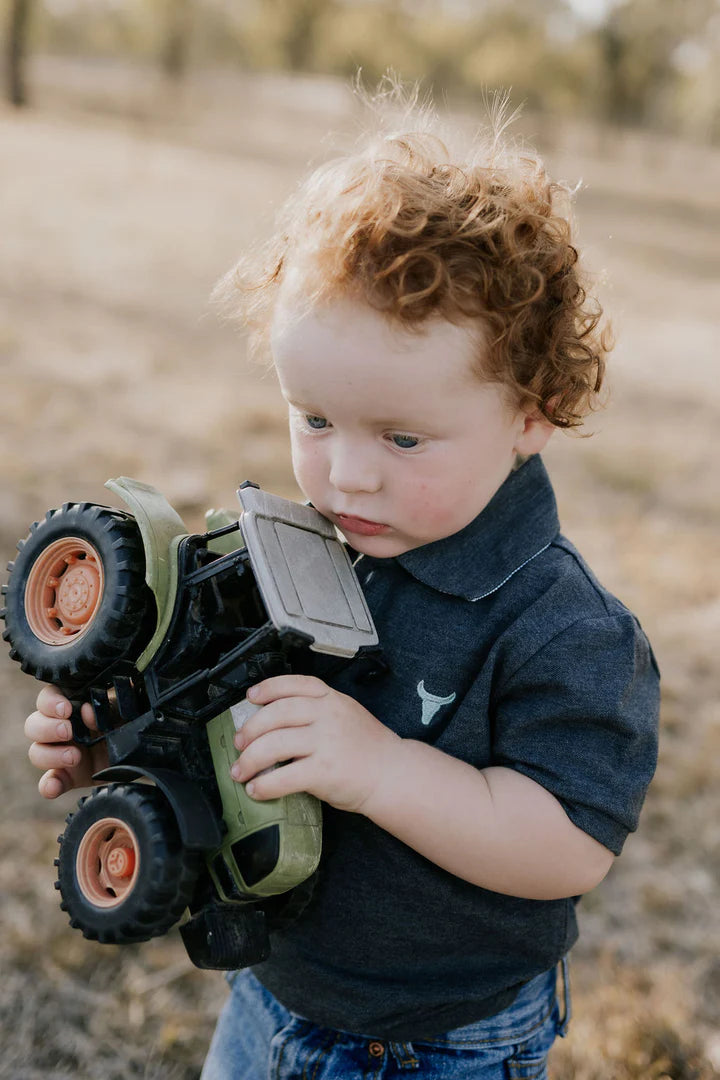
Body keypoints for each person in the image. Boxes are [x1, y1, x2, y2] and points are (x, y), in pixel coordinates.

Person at [24, 87, 659, 1079]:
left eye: (403, 437)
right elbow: (217, 713)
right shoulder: (300, 550)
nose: (349, 475)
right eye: (313, 419)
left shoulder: (560, 625)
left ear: (531, 414)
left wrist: (383, 771)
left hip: (440, 1040)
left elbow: (569, 846)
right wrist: (111, 733)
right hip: (272, 1000)